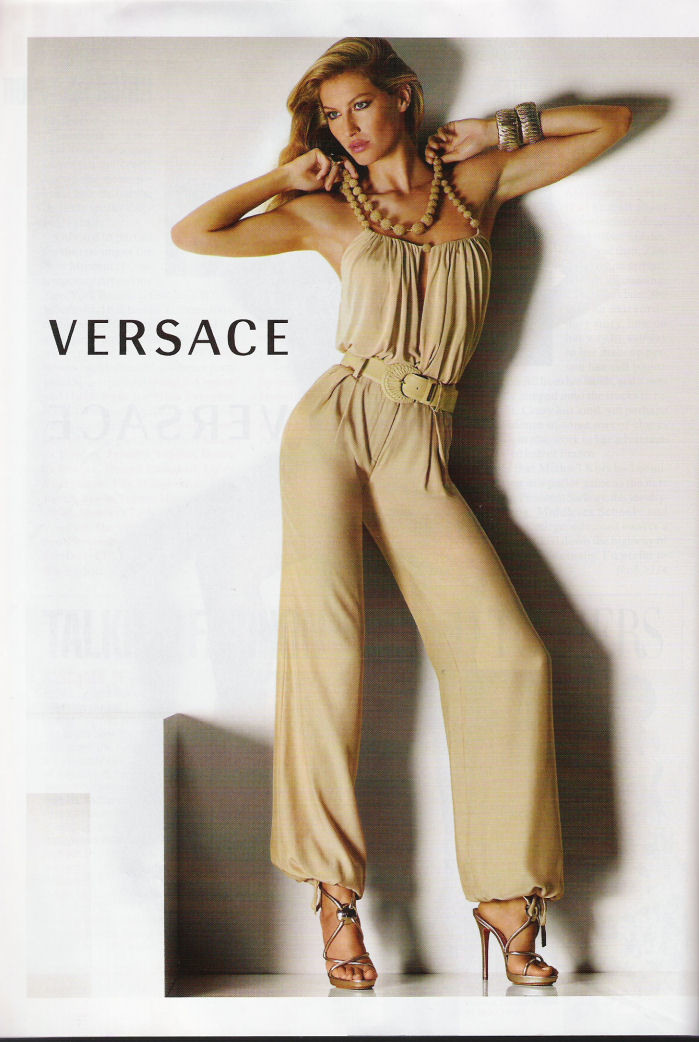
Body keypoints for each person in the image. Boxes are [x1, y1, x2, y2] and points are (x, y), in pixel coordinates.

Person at [171, 37, 631, 991]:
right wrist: (280, 176)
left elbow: (611, 124)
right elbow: (195, 234)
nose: (346, 126)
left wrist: (501, 127)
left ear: (403, 96)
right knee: (326, 648)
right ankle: (334, 901)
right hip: (335, 428)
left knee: (508, 655)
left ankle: (504, 898)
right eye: (330, 114)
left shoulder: (476, 185)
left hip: (422, 448)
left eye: (359, 105)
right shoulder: (327, 213)